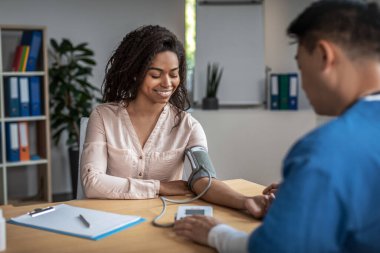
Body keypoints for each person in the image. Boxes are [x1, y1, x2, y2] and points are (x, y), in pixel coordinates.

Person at [173, 1, 380, 252]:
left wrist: (216, 233)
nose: (303, 85)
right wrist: (305, 189)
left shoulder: (325, 150)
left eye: (301, 68)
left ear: (325, 56)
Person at [80, 25, 273, 215]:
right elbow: (93, 183)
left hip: (161, 218)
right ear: (134, 74)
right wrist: (159, 186)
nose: (167, 83)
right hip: (109, 218)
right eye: (155, 75)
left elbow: (204, 180)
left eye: (173, 74)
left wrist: (246, 202)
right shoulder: (102, 117)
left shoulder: (188, 126)